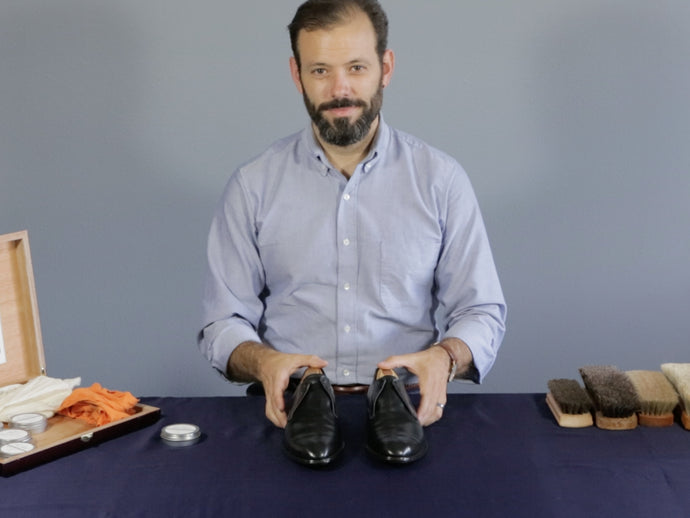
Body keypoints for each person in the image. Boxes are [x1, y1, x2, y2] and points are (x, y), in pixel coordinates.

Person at [198, 0, 506, 465]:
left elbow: (481, 310)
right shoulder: (252, 185)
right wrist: (264, 362)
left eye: (356, 67)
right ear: (296, 74)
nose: (340, 89)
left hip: (412, 411)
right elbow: (221, 322)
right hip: (287, 413)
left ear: (386, 67)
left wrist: (444, 357)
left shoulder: (441, 180)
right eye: (320, 70)